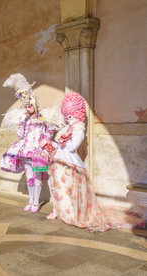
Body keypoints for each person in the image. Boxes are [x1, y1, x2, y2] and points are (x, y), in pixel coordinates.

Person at [44, 92, 144, 231]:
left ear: (76, 112)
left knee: (68, 191)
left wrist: (64, 140)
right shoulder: (67, 129)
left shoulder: (78, 129)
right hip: (58, 162)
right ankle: (57, 210)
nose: (68, 118)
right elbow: (61, 146)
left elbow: (72, 147)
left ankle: (71, 214)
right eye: (67, 115)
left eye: (70, 115)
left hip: (70, 164)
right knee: (56, 188)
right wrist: (50, 144)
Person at [0, 73, 54, 213]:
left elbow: (48, 133)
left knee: (37, 177)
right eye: (25, 105)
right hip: (26, 150)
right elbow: (20, 135)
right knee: (29, 177)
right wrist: (22, 122)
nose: (27, 107)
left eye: (29, 104)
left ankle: (36, 202)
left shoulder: (43, 117)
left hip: (38, 152)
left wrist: (41, 123)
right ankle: (30, 200)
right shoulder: (26, 119)